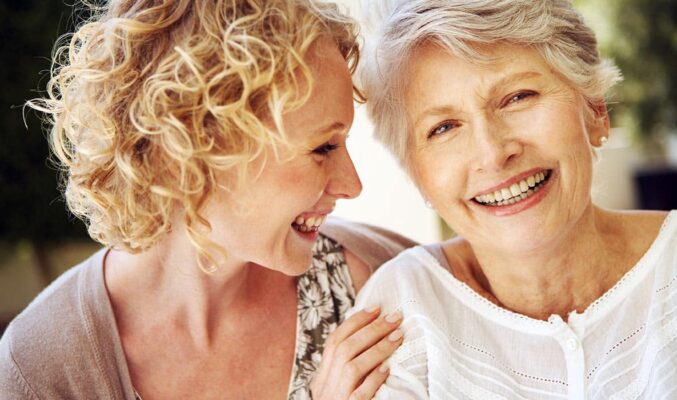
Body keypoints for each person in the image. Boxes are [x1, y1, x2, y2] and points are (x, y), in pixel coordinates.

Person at [0, 1, 416, 399]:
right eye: (323, 148)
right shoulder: (41, 371)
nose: (352, 184)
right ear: (193, 154)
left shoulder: (389, 285)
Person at [353, 0, 677, 398]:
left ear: (595, 111)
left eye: (518, 97)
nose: (492, 153)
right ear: (416, 175)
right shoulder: (403, 308)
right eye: (444, 128)